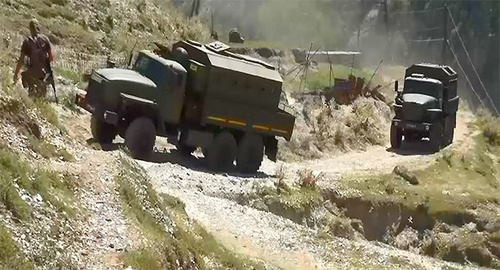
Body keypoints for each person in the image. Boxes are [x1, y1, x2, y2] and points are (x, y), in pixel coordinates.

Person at [13, 19, 55, 98]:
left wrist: (16, 74)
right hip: (44, 74)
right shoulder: (45, 39)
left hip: (32, 73)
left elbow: (21, 60)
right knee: (42, 98)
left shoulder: (27, 41)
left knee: (23, 77)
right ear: (38, 28)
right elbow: (51, 58)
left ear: (30, 28)